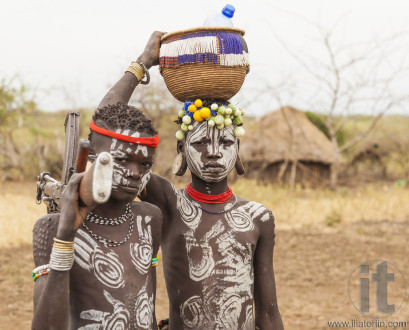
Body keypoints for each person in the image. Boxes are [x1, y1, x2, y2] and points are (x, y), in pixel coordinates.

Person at [97, 31, 284, 330]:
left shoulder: (258, 217)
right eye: (199, 144)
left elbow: (269, 313)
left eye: (224, 143)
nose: (213, 153)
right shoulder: (168, 202)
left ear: (238, 151)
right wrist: (142, 63)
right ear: (181, 151)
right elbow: (103, 134)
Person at [31, 41, 163, 329]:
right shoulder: (52, 227)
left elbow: (146, 303)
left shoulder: (149, 218)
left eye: (144, 165)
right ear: (93, 158)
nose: (133, 173)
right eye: (121, 160)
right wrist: (66, 234)